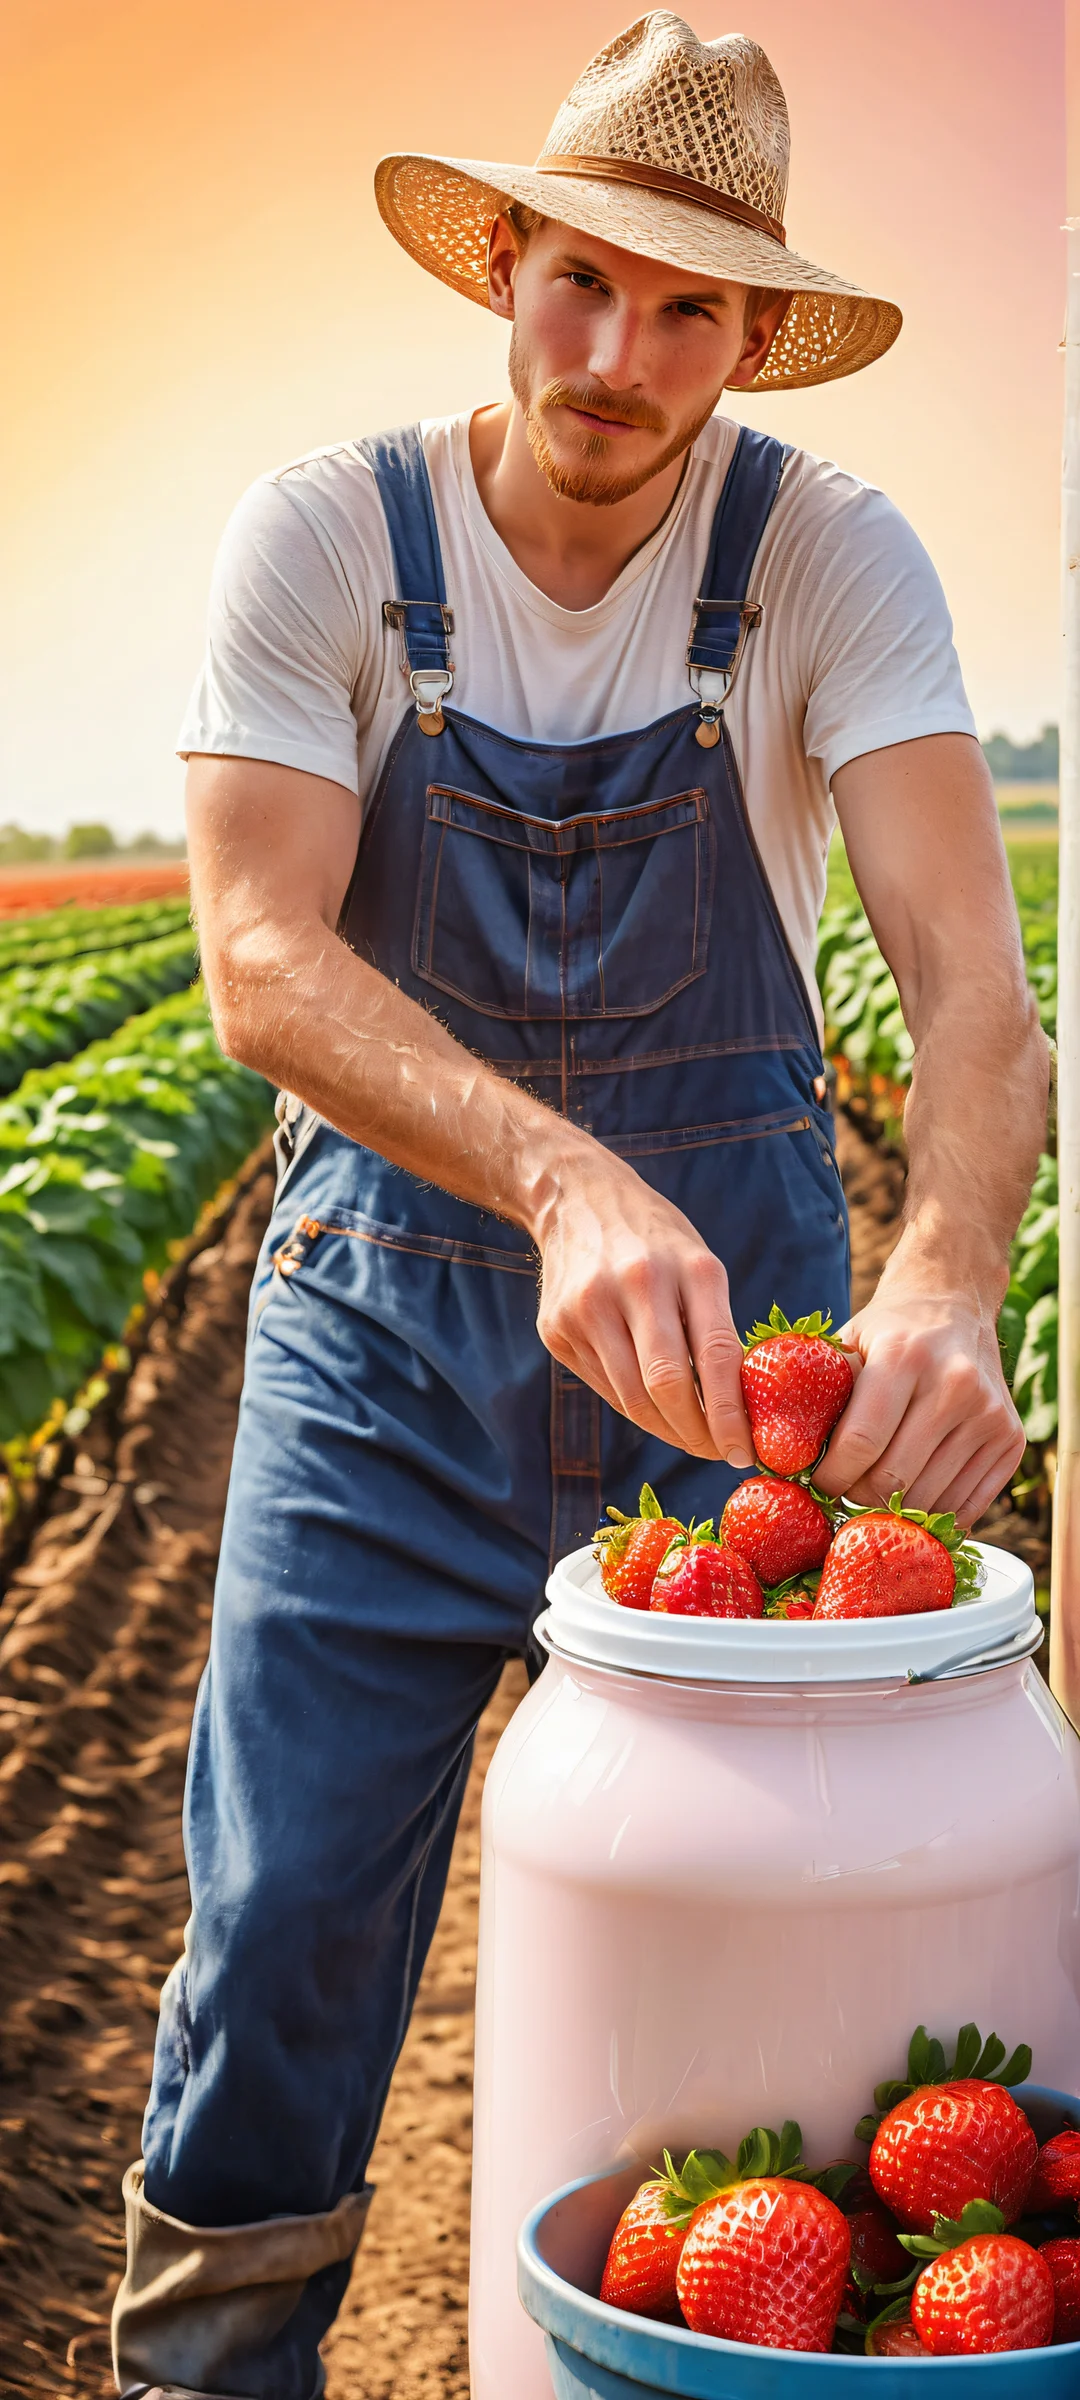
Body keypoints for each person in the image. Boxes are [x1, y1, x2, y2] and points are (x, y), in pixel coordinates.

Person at [113, 15, 1047, 2399]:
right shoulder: (332, 535)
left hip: (736, 1389)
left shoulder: (824, 555)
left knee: (783, 1960)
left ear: (752, 338)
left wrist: (944, 1275)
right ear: (502, 262)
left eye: (689, 311)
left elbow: (966, 991)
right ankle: (213, 2366)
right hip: (384, 1350)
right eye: (581, 285)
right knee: (286, 1930)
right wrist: (556, 1175)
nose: (619, 359)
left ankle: (708, 2356)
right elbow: (254, 960)